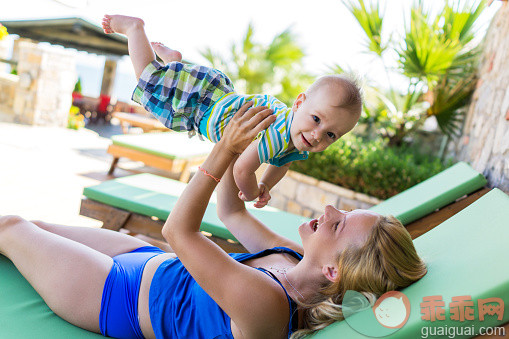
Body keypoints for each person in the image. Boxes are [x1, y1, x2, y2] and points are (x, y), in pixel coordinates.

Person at [0, 103, 426, 339]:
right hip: (148, 259)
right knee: (27, 225)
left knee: (10, 230)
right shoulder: (293, 257)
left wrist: (222, 151)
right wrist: (248, 150)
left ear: (333, 270)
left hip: (116, 298)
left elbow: (179, 231)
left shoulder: (270, 307)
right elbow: (231, 212)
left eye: (338, 225)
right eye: (344, 212)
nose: (331, 211)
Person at [101, 14, 362, 208]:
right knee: (151, 80)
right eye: (316, 119)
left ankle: (173, 61)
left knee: (169, 82)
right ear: (299, 103)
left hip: (218, 94)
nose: (317, 135)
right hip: (201, 105)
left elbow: (284, 163)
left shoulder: (294, 138)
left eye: (331, 135)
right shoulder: (278, 133)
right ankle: (135, 29)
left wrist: (266, 185)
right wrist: (251, 193)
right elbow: (242, 170)